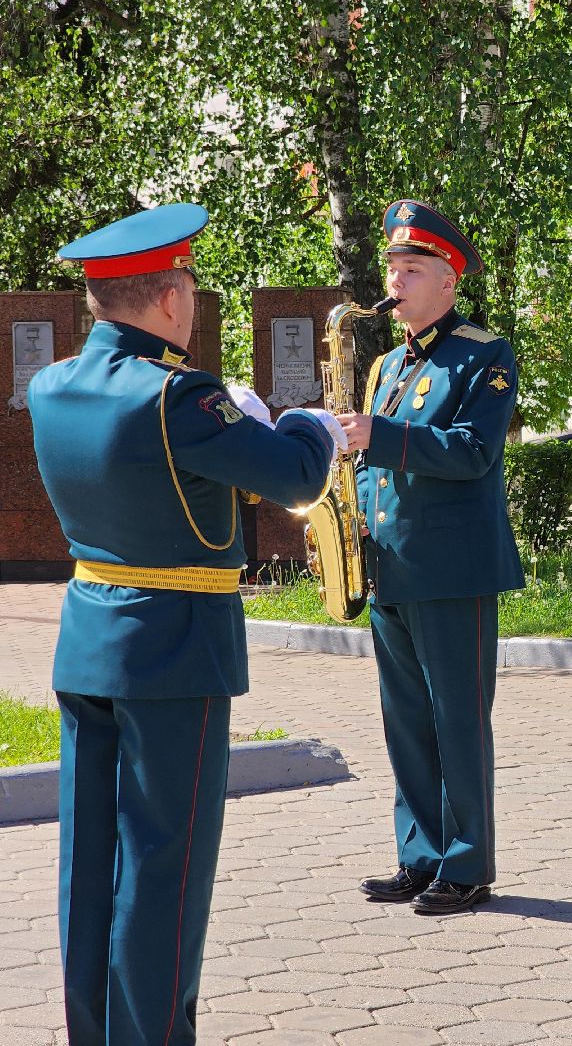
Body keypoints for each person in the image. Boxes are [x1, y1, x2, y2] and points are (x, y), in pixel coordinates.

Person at [28, 204, 339, 1045]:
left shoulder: (50, 388)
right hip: (173, 651)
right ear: (168, 300)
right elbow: (298, 476)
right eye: (190, 291)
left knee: (88, 864)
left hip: (88, 640)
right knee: (164, 868)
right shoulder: (179, 397)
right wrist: (311, 421)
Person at [335, 200, 524, 916]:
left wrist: (377, 436)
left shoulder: (485, 354)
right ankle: (419, 855)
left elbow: (474, 452)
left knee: (457, 720)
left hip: (454, 571)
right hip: (391, 566)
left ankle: (468, 862)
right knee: (406, 719)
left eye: (412, 268)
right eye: (392, 267)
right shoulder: (384, 362)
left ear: (449, 280)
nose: (396, 280)